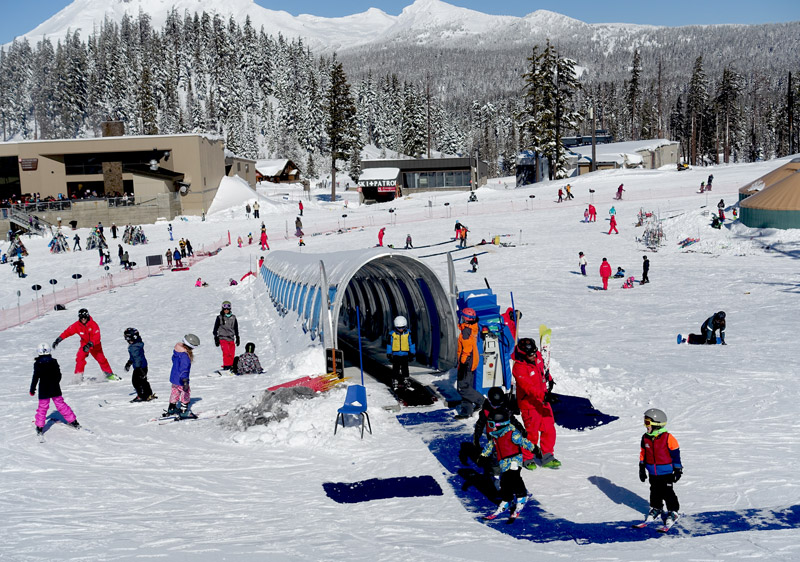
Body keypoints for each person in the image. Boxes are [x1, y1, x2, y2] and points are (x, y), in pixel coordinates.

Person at [478, 407, 537, 521]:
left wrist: (534, 449)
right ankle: (507, 499)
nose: (491, 427)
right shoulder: (495, 435)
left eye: (492, 424)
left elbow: (523, 442)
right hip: (504, 462)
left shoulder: (512, 433)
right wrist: (483, 456)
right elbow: (490, 446)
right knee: (505, 481)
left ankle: (521, 496)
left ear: (500, 424)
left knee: (514, 476)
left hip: (515, 459)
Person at [512, 337, 560, 468]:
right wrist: (545, 396)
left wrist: (549, 379)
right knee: (531, 433)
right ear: (523, 354)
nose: (534, 356)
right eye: (530, 354)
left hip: (543, 402)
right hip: (529, 405)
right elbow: (528, 388)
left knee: (549, 429)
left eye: (534, 352)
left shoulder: (537, 356)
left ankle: (548, 456)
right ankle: (527, 458)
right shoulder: (518, 368)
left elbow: (541, 369)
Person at [638, 408, 682, 528]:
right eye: (645, 422)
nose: (645, 426)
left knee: (668, 493)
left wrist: (678, 470)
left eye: (647, 422)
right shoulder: (645, 437)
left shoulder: (668, 437)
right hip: (652, 471)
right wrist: (642, 467)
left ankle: (673, 512)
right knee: (654, 491)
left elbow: (675, 454)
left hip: (666, 472)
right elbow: (643, 453)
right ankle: (656, 508)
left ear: (656, 424)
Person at [52, 308, 118, 383]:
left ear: (87, 317)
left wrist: (90, 344)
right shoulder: (77, 325)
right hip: (84, 344)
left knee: (101, 359)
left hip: (95, 345)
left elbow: (97, 337)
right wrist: (59, 339)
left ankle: (109, 374)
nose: (83, 319)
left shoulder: (93, 324)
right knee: (80, 358)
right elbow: (68, 332)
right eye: (81, 318)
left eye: (84, 318)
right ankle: (78, 376)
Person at [30, 343, 80, 437]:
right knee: (61, 404)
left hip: (44, 389)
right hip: (55, 388)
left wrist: (32, 389)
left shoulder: (37, 364)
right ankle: (73, 421)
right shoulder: (54, 362)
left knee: (42, 407)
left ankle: (40, 427)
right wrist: (55, 382)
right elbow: (59, 374)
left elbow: (35, 377)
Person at [454, 307, 485, 419]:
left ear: (466, 319)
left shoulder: (466, 331)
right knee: (467, 385)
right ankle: (466, 411)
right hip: (472, 361)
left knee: (462, 387)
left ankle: (481, 401)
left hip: (466, 362)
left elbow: (467, 349)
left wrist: (462, 362)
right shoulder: (472, 328)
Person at [166, 334, 200, 418]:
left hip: (174, 378)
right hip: (181, 379)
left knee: (175, 392)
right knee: (185, 393)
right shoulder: (185, 356)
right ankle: (184, 411)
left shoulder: (177, 352)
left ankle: (172, 408)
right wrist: (185, 381)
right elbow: (184, 370)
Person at [124, 328, 155, 402]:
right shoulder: (137, 344)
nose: (126, 340)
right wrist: (129, 362)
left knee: (136, 382)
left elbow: (137, 358)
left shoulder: (134, 347)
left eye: (127, 338)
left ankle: (141, 396)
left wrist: (139, 369)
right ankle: (148, 394)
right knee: (143, 381)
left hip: (139, 367)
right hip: (143, 366)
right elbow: (134, 357)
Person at [386, 315, 415, 391]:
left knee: (405, 368)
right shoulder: (392, 334)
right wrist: (389, 353)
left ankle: (406, 379)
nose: (401, 329)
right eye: (399, 328)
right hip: (396, 354)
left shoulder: (408, 334)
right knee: (396, 368)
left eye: (402, 327)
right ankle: (395, 379)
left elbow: (411, 344)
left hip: (405, 354)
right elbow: (389, 344)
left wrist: (412, 353)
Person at [213, 300, 240, 371]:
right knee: (226, 352)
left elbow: (236, 328)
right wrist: (216, 338)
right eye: (224, 309)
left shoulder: (233, 318)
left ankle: (231, 365)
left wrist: (237, 337)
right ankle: (226, 365)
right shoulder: (219, 317)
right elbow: (215, 329)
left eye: (227, 309)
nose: (226, 310)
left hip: (231, 338)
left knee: (231, 353)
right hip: (222, 337)